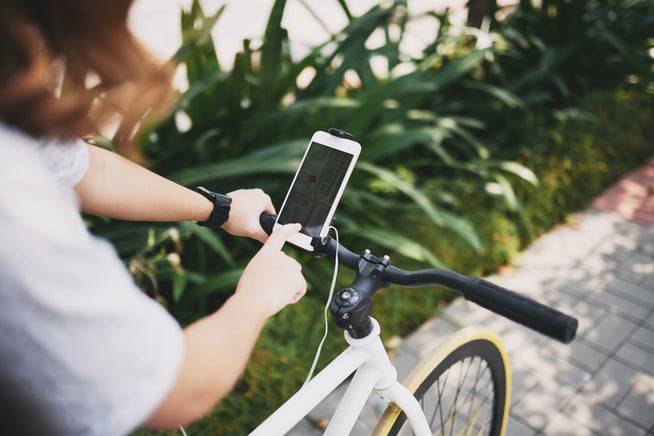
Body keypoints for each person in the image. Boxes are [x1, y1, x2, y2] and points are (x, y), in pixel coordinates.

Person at [0, 0, 307, 434]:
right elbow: (177, 391)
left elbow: (83, 169)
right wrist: (258, 295)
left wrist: (218, 210)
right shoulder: (14, 207)